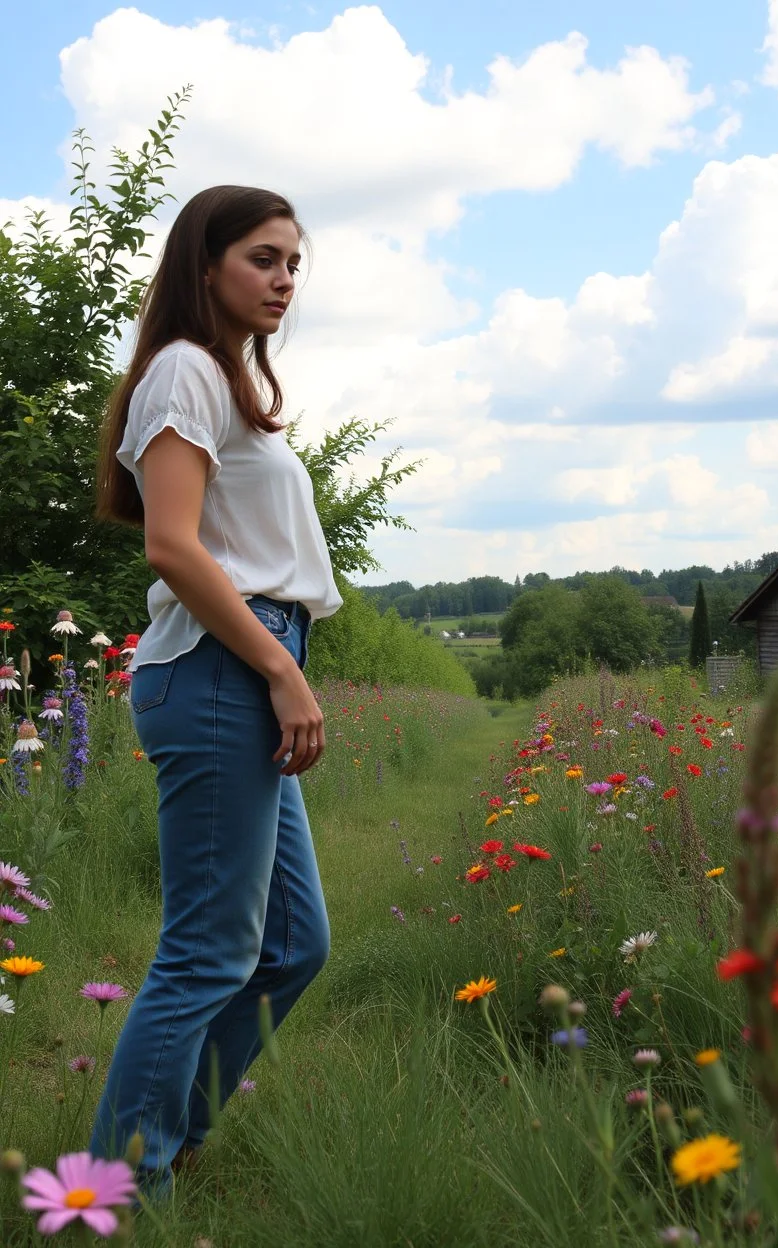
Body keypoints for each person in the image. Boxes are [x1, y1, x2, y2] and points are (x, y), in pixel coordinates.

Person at [92, 184, 343, 1192]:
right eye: (262, 258)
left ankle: (167, 1134)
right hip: (220, 665)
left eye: (293, 262)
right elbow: (172, 545)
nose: (284, 278)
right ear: (205, 266)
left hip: (248, 658)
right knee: (208, 951)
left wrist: (283, 659)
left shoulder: (226, 380)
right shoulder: (186, 371)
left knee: (292, 946)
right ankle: (112, 1189)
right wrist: (280, 668)